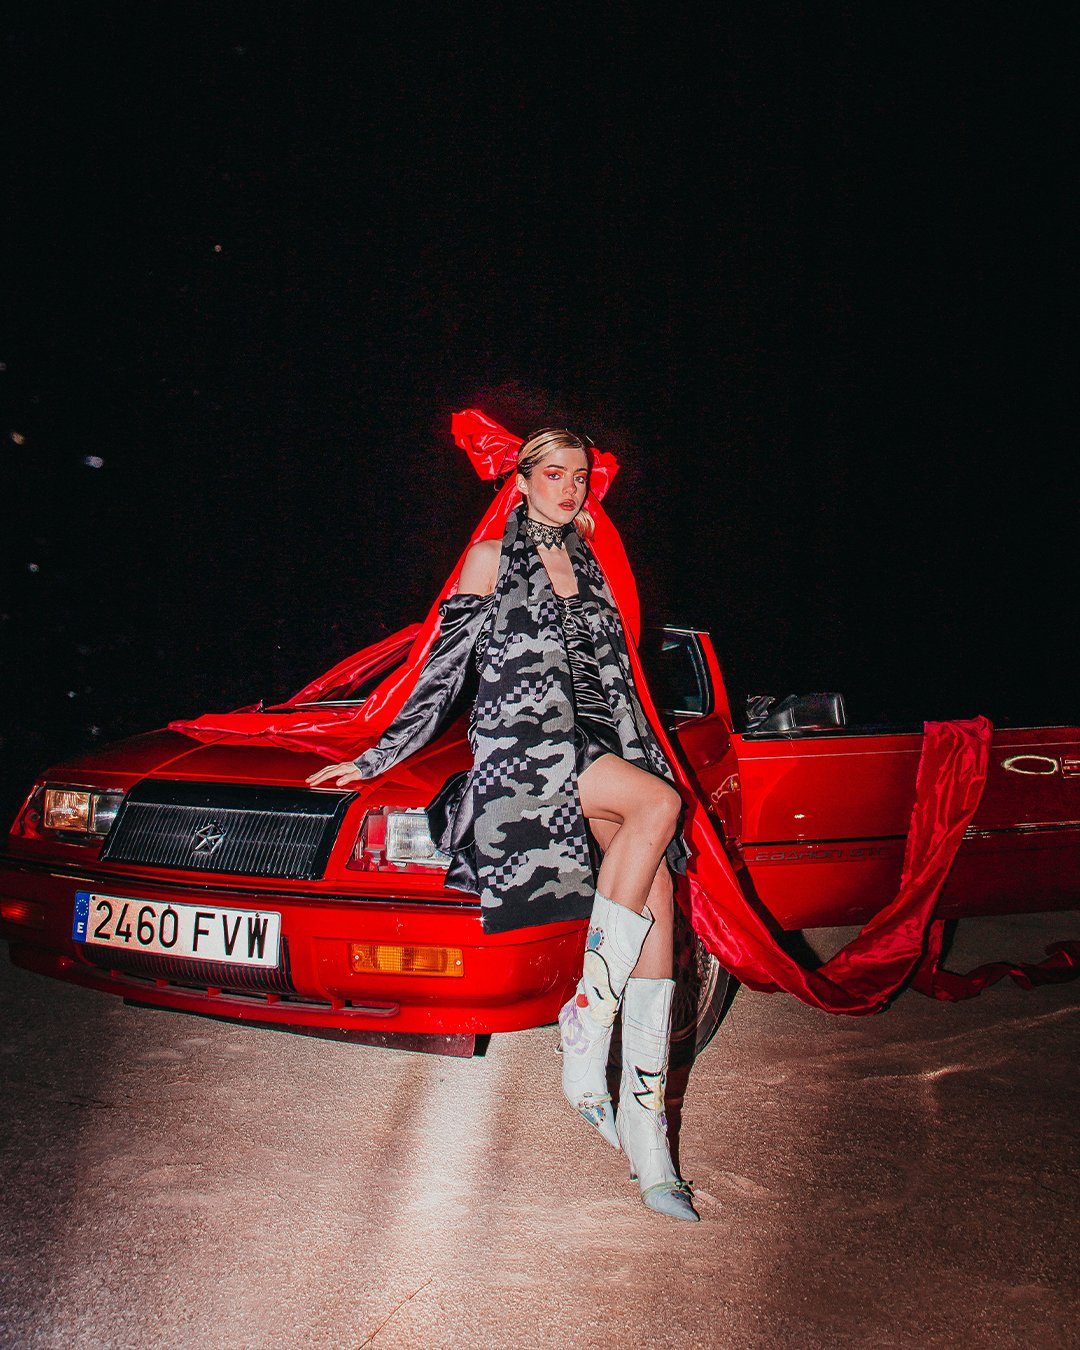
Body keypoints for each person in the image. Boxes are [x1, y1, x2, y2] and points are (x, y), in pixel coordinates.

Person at [306, 428, 698, 1222]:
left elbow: (621, 679)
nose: (568, 487)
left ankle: (648, 1137)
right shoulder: (488, 562)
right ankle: (587, 1017)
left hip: (604, 746)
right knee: (659, 806)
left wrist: (643, 750)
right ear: (518, 483)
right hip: (527, 753)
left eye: (579, 476)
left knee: (656, 899)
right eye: (552, 473)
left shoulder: (595, 566)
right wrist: (377, 757)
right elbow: (440, 673)